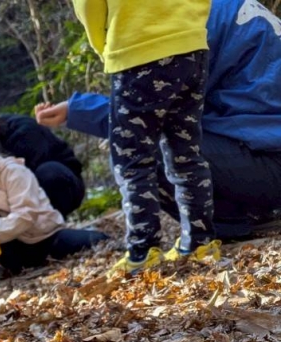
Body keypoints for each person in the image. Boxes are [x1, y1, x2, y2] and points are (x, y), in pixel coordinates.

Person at [35, 0, 281, 242]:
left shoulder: (177, 25)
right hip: (264, 152)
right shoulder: (208, 9)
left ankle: (242, 222)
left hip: (269, 160)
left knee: (146, 149)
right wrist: (77, 110)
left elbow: (148, 118)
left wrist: (81, 110)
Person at [69, 0, 220, 277]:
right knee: (186, 154)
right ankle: (200, 243)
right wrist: (191, 26)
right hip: (191, 49)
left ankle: (142, 250)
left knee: (132, 160)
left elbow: (89, 6)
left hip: (136, 52)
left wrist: (105, 49)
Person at [0, 120, 107, 284]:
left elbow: (26, 214)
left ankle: (92, 234)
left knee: (91, 241)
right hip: (9, 249)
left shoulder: (13, 172)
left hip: (44, 238)